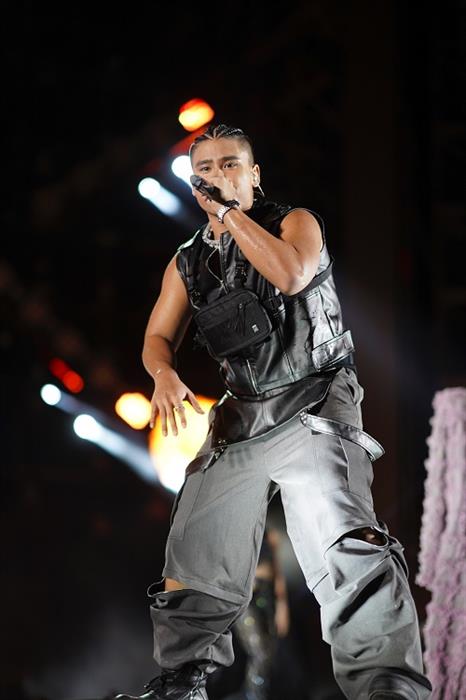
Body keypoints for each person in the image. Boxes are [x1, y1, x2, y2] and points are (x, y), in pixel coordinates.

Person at [114, 124, 432, 700]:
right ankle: (185, 678)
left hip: (315, 399)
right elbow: (157, 336)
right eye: (205, 168)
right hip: (244, 414)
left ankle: (386, 683)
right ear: (193, 182)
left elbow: (290, 274)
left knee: (343, 540)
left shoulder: (295, 223)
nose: (217, 175)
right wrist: (163, 375)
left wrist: (230, 215)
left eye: (230, 164)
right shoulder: (188, 261)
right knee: (197, 541)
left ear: (254, 174)